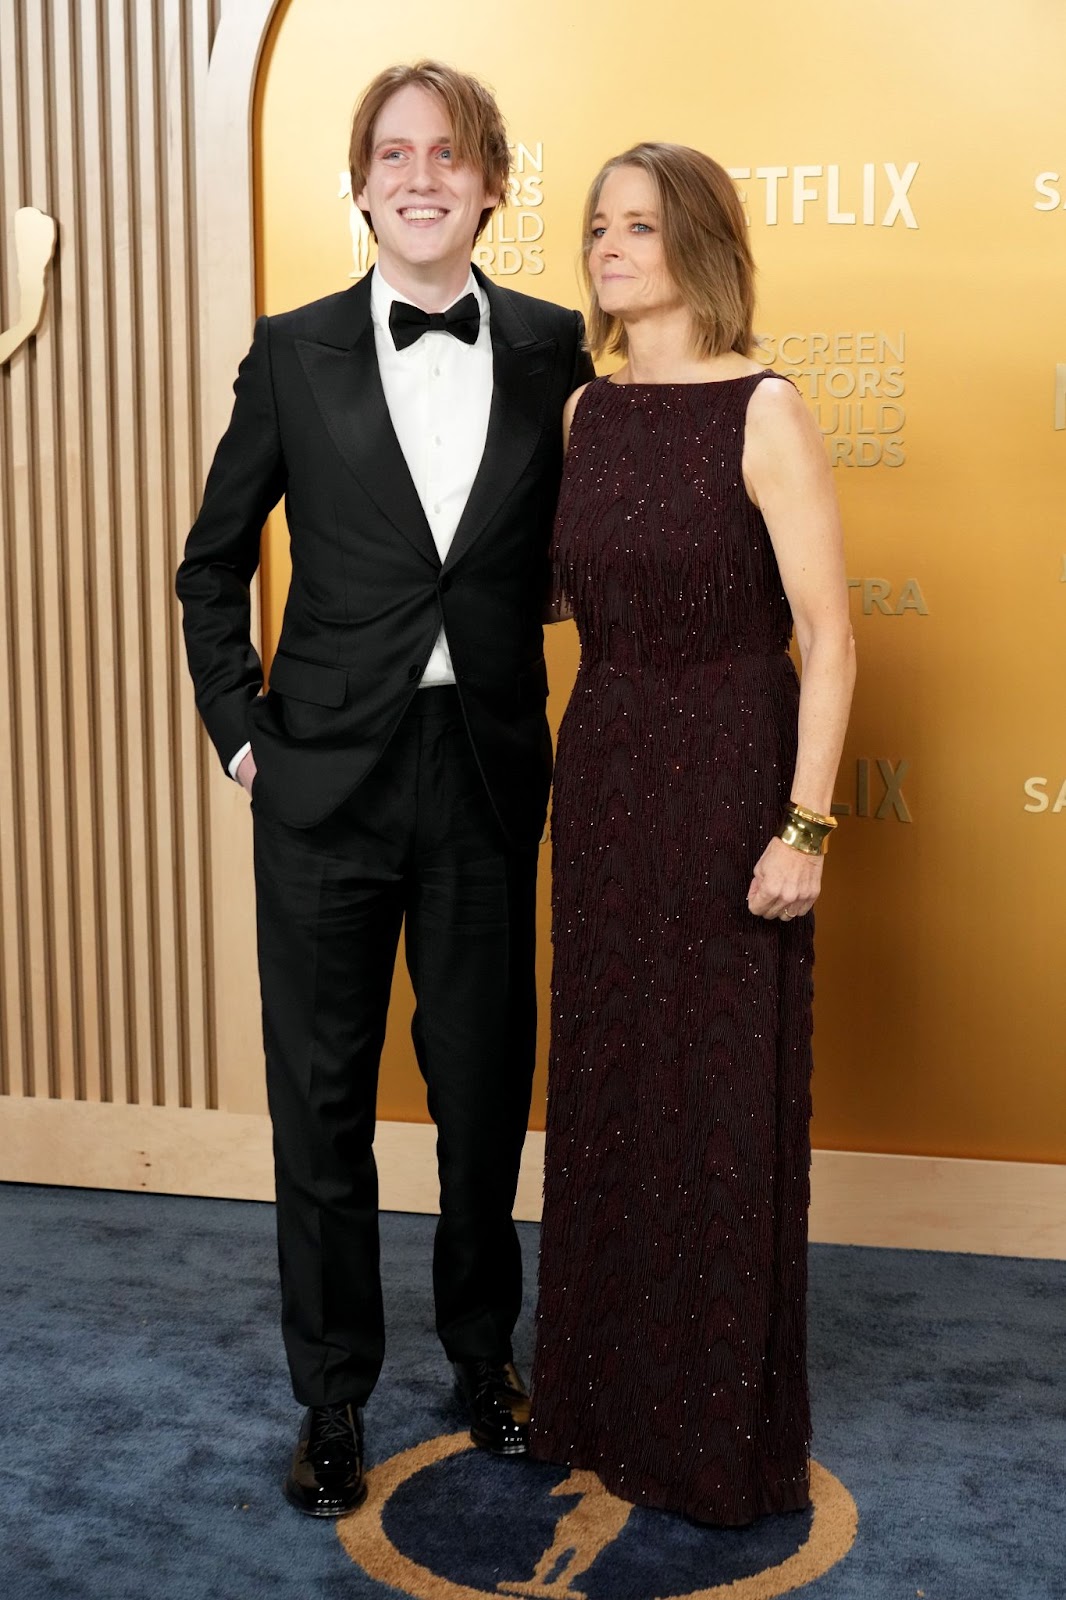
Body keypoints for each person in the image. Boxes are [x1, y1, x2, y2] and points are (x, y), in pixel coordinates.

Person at [176, 60, 594, 1518]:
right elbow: (210, 561)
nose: (422, 177)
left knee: (484, 1094)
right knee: (321, 1102)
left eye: (452, 155)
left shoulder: (554, 348)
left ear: (491, 183)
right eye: (395, 155)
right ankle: (333, 1394)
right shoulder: (289, 351)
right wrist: (244, 734)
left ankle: (485, 1358)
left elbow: (591, 543)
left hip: (481, 772)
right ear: (359, 184)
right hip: (321, 787)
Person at [528, 143, 855, 1526]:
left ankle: (710, 1429)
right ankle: (599, 1401)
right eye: (597, 224)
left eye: (639, 225)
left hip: (728, 767)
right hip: (602, 768)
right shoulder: (586, 412)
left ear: (699, 245)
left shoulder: (764, 407)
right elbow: (546, 595)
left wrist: (805, 828)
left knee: (712, 1101)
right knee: (609, 1090)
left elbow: (831, 639)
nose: (608, 245)